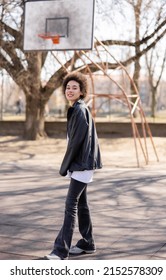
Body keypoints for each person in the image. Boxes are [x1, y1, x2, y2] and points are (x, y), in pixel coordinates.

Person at [45, 72, 102, 260]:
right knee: (82, 204)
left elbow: (75, 143)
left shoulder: (79, 109)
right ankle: (88, 243)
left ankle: (61, 251)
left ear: (81, 91)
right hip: (82, 164)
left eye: (74, 88)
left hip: (82, 165)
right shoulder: (78, 108)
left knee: (71, 205)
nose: (70, 90)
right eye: (68, 87)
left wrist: (65, 167)